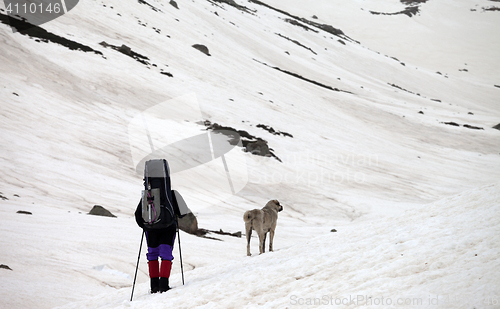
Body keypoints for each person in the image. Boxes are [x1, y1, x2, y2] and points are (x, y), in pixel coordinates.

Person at [135, 201, 177, 293]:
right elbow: (183, 212)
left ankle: (154, 286)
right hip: (168, 228)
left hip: (150, 229)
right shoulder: (171, 194)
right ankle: (163, 285)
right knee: (166, 254)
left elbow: (137, 215)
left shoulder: (147, 196)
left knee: (152, 254)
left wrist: (146, 227)